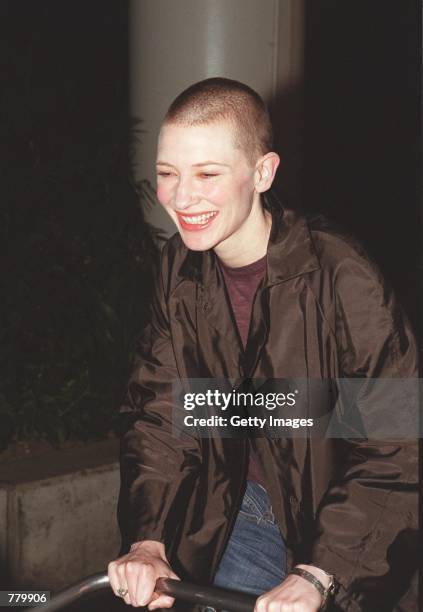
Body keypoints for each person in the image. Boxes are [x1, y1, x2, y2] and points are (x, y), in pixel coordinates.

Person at [108, 78, 418, 611]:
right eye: (167, 174)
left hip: (341, 523)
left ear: (262, 173)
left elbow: (398, 442)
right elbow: (162, 413)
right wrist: (149, 539)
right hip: (239, 515)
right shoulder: (179, 269)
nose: (182, 198)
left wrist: (323, 572)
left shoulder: (341, 274)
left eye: (207, 174)